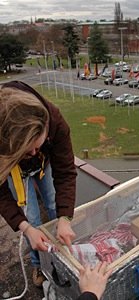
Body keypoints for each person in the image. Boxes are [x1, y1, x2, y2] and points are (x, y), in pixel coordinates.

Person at [0, 81, 77, 287]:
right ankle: (39, 264)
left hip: (45, 166)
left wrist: (65, 218)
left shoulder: (56, 122)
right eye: (26, 151)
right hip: (14, 171)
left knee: (54, 205)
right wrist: (25, 228)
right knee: (32, 218)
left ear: (46, 128)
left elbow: (65, 172)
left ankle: (64, 254)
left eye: (37, 146)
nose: (33, 154)